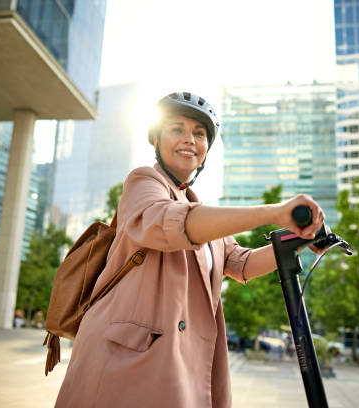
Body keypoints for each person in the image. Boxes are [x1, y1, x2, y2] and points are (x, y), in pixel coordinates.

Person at [54, 92, 328, 407]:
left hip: (183, 360)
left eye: (199, 134)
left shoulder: (200, 210)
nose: (190, 139)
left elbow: (241, 263)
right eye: (177, 129)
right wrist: (274, 212)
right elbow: (169, 222)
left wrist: (303, 238)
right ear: (156, 138)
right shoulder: (144, 182)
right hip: (127, 358)